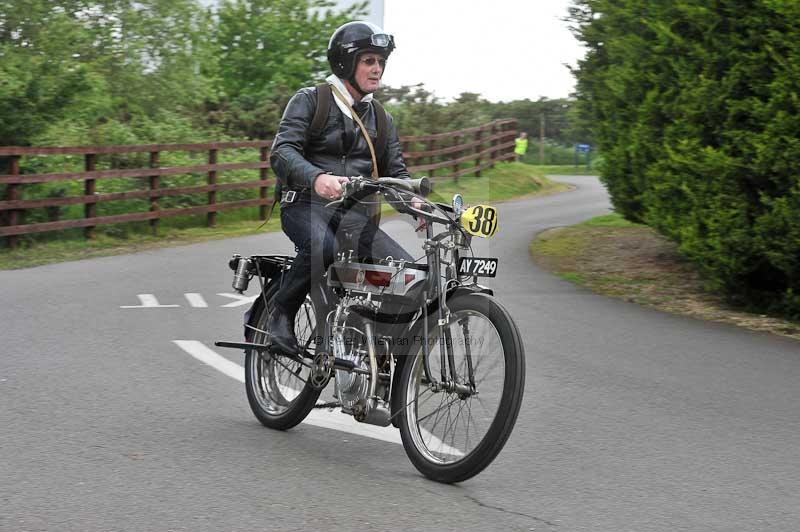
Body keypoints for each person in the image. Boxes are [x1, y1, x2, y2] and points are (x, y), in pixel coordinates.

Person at [267, 21, 414, 355]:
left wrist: (421, 208)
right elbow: (282, 151)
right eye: (369, 61)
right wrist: (317, 177)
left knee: (406, 276)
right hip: (305, 206)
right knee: (323, 246)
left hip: (355, 219)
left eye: (381, 62)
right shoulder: (310, 100)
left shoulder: (380, 117)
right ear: (346, 63)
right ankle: (280, 317)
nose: (377, 69)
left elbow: (398, 173)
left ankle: (383, 357)